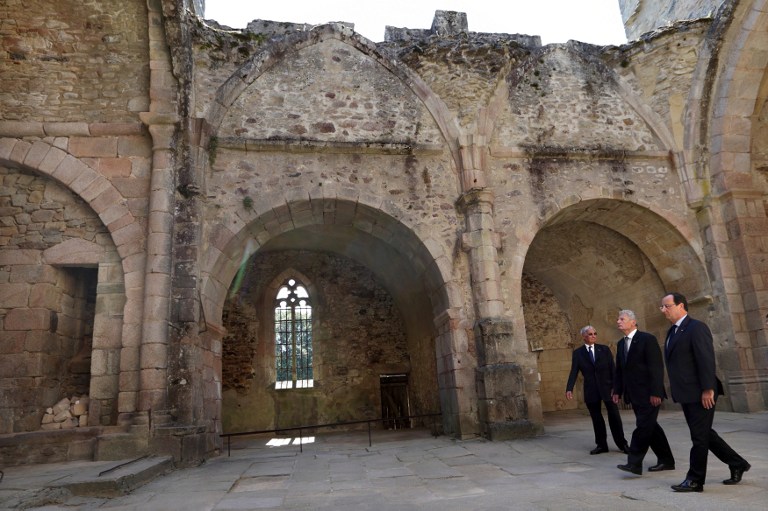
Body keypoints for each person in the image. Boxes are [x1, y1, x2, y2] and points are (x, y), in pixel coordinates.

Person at [660, 292, 751, 493]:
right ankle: (737, 463)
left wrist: (708, 388)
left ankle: (695, 480)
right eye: (662, 307)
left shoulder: (696, 327)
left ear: (681, 306)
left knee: (699, 438)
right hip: (686, 392)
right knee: (704, 434)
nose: (664, 310)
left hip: (701, 392)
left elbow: (706, 359)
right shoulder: (672, 331)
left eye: (667, 306)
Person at [612, 309, 675, 475]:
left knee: (642, 427)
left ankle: (634, 463)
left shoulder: (647, 339)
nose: (618, 321)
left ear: (633, 322)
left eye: (622, 319)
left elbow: (656, 367)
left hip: (649, 393)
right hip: (633, 394)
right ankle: (666, 460)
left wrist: (656, 392)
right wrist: (617, 390)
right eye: (618, 319)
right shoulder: (620, 344)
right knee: (651, 427)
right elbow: (620, 370)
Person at [565, 326, 629, 455]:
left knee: (614, 417)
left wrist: (616, 388)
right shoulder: (578, 353)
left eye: (595, 333)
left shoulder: (604, 350)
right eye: (590, 334)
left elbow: (613, 369)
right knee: (596, 418)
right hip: (591, 390)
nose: (593, 336)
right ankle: (601, 445)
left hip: (608, 388)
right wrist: (569, 388)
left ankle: (622, 444)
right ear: (584, 336)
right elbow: (574, 371)